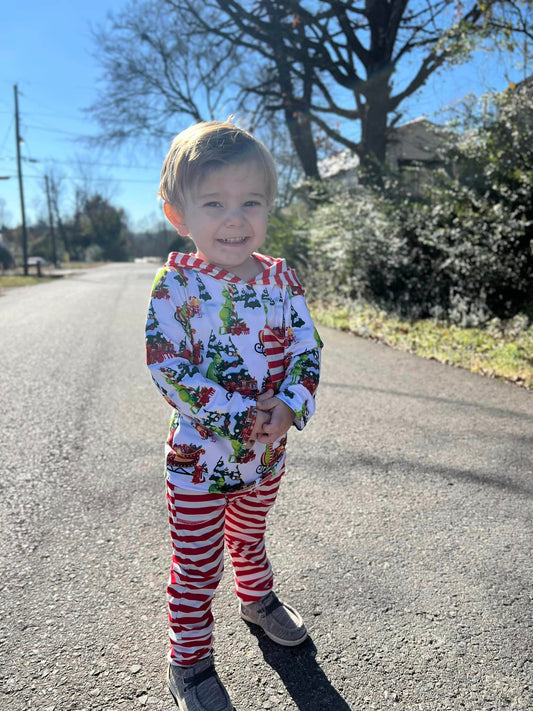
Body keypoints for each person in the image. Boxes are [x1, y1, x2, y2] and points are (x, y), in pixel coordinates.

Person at [146, 119, 322, 711]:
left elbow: (306, 348)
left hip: (266, 456)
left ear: (269, 206)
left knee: (249, 537)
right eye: (214, 203)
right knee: (196, 564)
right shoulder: (178, 285)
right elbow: (168, 364)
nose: (234, 219)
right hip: (199, 463)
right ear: (179, 214)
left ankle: (257, 597)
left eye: (251, 202)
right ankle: (189, 658)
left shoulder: (280, 279)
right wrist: (242, 411)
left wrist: (292, 404)